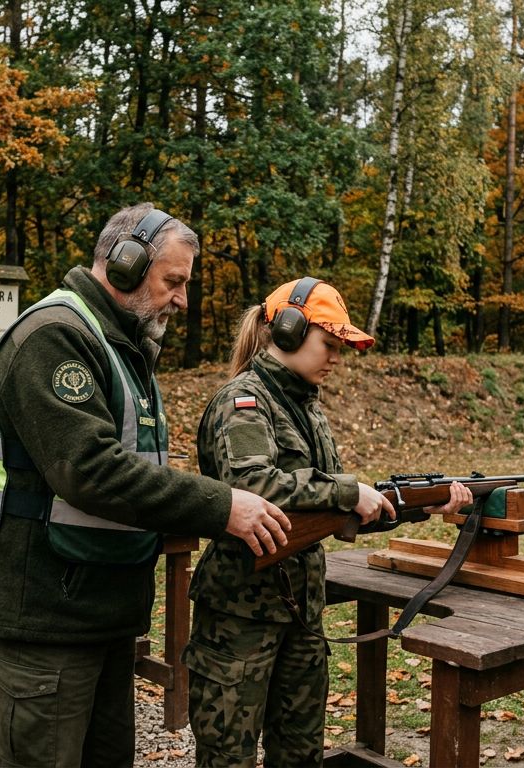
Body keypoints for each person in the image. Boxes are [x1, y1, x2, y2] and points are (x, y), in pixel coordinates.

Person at [0, 203, 292, 768]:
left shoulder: (118, 345)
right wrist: (221, 507)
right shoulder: (54, 336)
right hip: (47, 615)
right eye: (174, 281)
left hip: (97, 608)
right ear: (125, 264)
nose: (183, 300)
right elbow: (89, 470)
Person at [186, 277, 473, 768]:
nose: (337, 357)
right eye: (330, 344)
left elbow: (331, 514)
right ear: (291, 332)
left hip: (300, 614)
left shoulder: (308, 409)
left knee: (300, 754)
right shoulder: (244, 403)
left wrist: (413, 507)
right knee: (227, 757)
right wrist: (348, 490)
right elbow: (253, 487)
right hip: (240, 618)